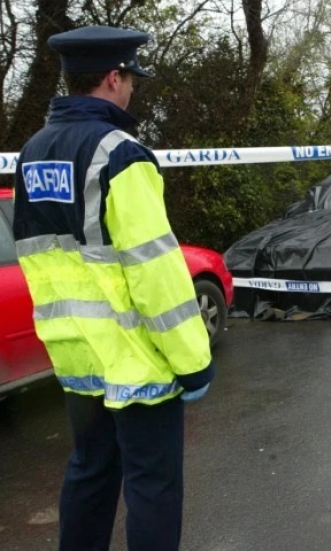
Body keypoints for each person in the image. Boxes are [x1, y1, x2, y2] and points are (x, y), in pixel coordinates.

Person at [12, 25, 214, 551]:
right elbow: (155, 272)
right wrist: (193, 362)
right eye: (130, 78)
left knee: (90, 472)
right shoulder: (121, 154)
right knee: (153, 485)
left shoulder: (33, 151)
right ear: (112, 77)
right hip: (137, 358)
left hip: (79, 355)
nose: (132, 90)